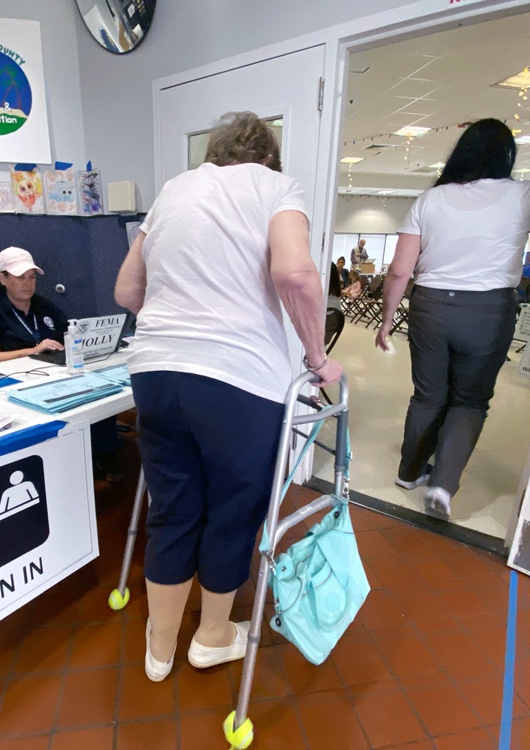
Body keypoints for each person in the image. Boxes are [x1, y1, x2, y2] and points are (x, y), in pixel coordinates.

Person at [114, 111, 343, 682]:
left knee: (172, 509)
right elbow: (295, 273)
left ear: (214, 154)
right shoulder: (276, 188)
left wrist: (179, 328)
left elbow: (126, 289)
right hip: (240, 381)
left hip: (156, 374)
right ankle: (212, 638)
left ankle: (159, 648)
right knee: (232, 511)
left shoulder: (172, 191)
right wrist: (317, 358)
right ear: (269, 158)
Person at [375, 118, 530, 520]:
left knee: (427, 394)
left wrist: (387, 319)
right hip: (489, 311)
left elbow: (400, 271)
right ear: (508, 156)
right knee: (469, 401)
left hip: (431, 307)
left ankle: (409, 472)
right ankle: (442, 484)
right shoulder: (523, 195)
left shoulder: (431, 200)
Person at [0, 247, 125, 481]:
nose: (28, 284)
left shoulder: (44, 306)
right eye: (20, 277)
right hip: (15, 382)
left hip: (53, 372)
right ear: (3, 278)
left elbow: (66, 334)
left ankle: (104, 455)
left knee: (99, 392)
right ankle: (66, 466)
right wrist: (32, 350)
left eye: (32, 277)